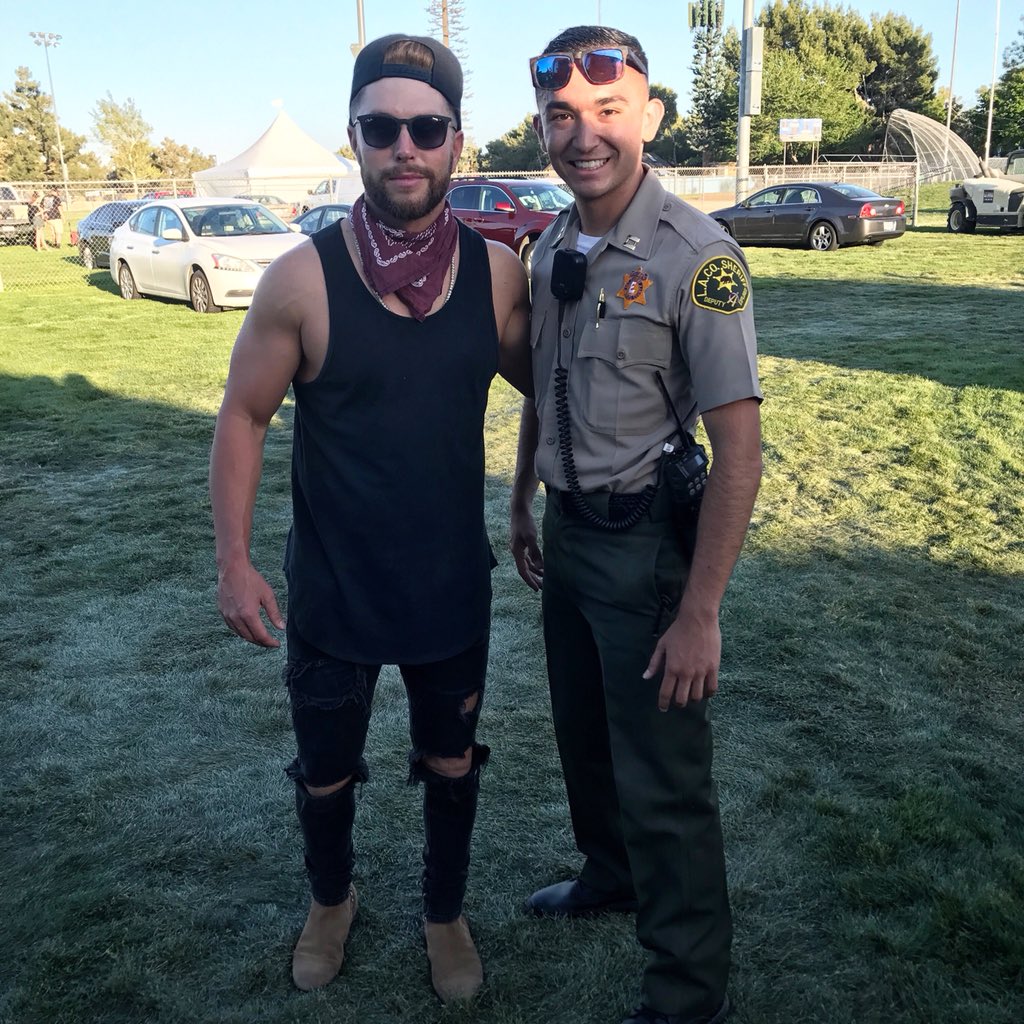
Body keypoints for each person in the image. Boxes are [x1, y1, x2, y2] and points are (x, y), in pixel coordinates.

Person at [209, 34, 531, 1004]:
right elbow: (243, 414)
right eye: (382, 127)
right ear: (354, 137)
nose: (404, 146)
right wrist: (235, 558)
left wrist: (528, 494)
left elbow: (558, 389)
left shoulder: (498, 275)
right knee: (326, 767)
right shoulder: (301, 279)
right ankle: (331, 900)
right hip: (333, 589)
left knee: (449, 760)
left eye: (425, 127)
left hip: (446, 584)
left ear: (455, 143)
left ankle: (443, 913)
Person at [509, 25, 763, 1024]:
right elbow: (543, 374)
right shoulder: (553, 242)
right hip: (569, 539)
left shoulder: (695, 256)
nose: (583, 135)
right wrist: (522, 490)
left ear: (648, 117)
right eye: (562, 116)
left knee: (662, 781)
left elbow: (739, 450)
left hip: (647, 550)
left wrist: (699, 611)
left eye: (607, 112)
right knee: (584, 741)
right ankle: (607, 875)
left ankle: (686, 991)